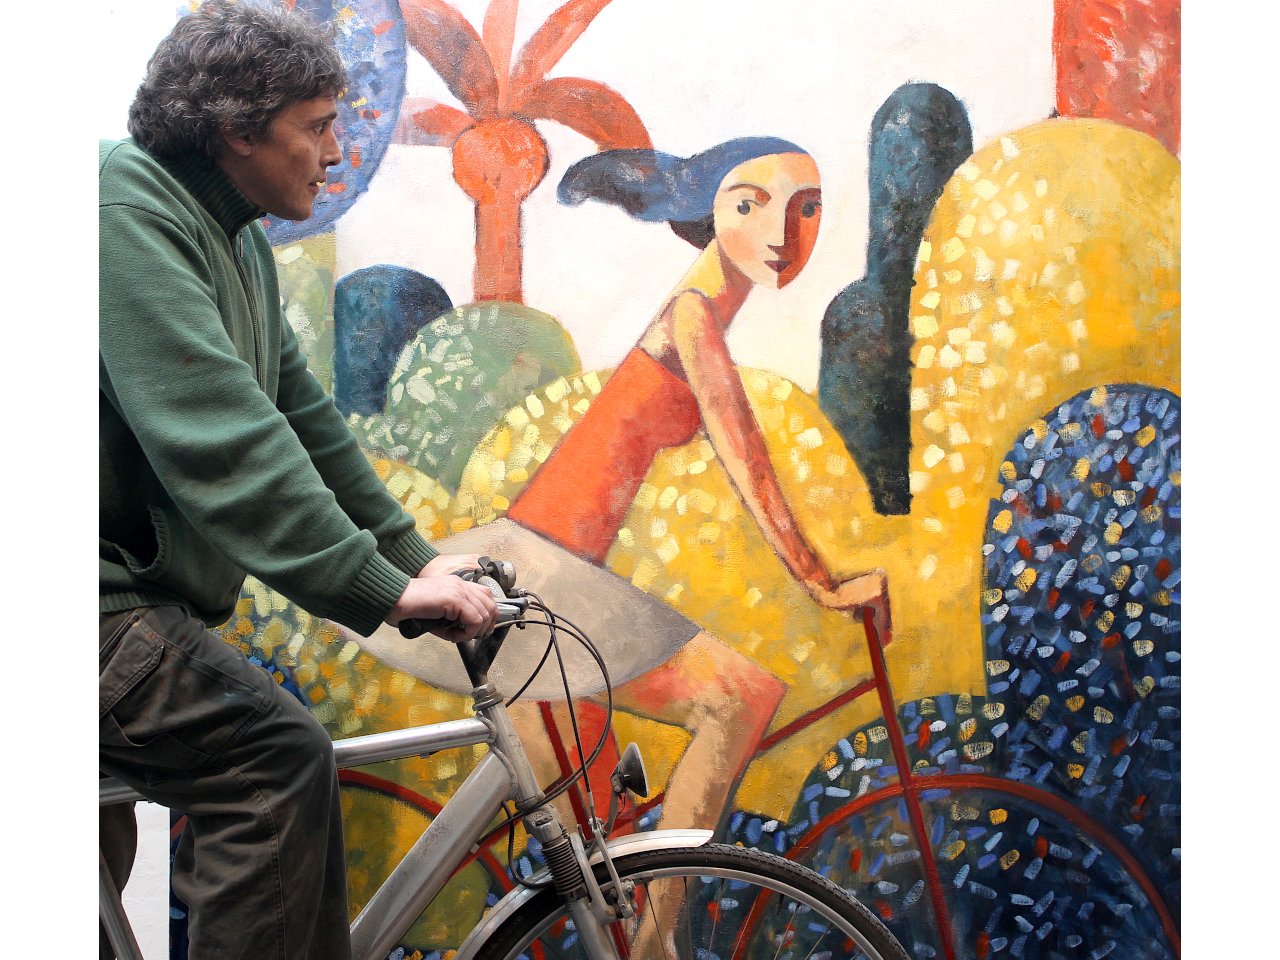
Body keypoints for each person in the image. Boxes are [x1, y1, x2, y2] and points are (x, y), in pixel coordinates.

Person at [98, 3, 499, 958]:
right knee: (271, 764)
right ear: (238, 129)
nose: (336, 150)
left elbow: (299, 416)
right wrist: (377, 587)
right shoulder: (124, 210)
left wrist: (414, 559)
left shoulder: (233, 236)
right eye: (317, 125)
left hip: (132, 600)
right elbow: (221, 434)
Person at [353, 137, 888, 850]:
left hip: (559, 575)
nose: (782, 235)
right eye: (750, 206)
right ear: (709, 212)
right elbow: (747, 461)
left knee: (604, 843)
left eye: (807, 209)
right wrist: (822, 582)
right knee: (738, 702)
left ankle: (647, 915)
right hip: (550, 573)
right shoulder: (692, 317)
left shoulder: (696, 314)